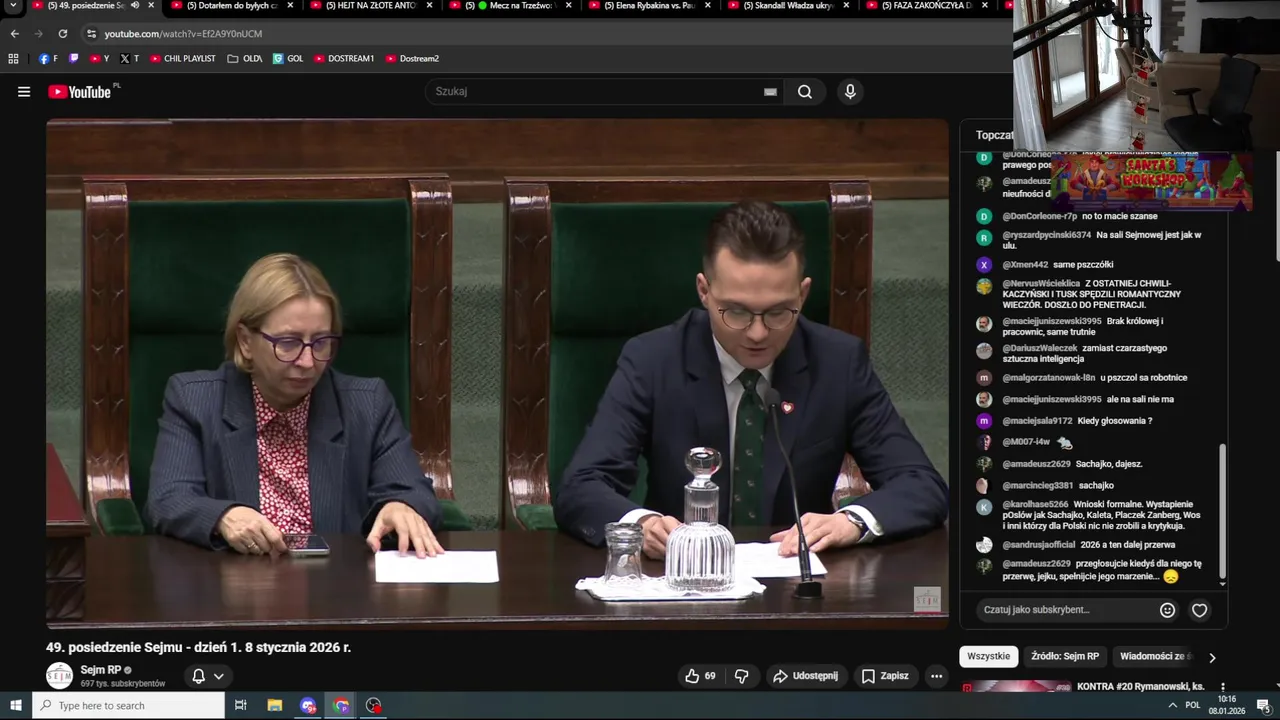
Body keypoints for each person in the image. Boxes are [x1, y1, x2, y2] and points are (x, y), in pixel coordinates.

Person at [554, 201, 948, 559]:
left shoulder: (837, 362)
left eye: (778, 312)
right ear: (704, 291)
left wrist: (852, 521)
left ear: (803, 294)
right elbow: (581, 486)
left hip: (796, 581)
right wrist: (642, 524)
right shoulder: (654, 360)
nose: (758, 333)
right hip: (680, 580)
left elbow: (921, 483)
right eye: (737, 312)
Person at [147, 253, 445, 557]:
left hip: (340, 581)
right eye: (288, 343)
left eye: (321, 342)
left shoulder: (367, 404)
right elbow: (168, 499)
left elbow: (415, 492)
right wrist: (224, 516)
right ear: (246, 341)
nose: (307, 362)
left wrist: (401, 506)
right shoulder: (195, 400)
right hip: (237, 581)